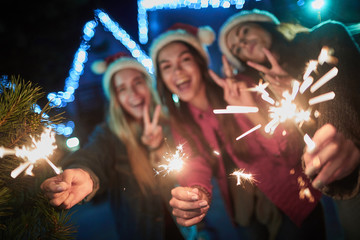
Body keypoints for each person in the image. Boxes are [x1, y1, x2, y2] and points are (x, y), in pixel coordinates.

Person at [149, 23, 325, 239]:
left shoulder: (242, 86)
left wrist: (250, 111)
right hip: (245, 214)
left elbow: (288, 150)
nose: (177, 71)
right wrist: (197, 191)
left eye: (185, 60)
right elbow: (195, 162)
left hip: (292, 198)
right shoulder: (181, 121)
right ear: (162, 79)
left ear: (200, 62)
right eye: (166, 66)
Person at [218, 8, 360, 239]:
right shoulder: (266, 93)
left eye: (244, 31)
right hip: (340, 191)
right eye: (236, 48)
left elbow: (339, 82)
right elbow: (289, 150)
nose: (242, 42)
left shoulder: (324, 35)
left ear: (265, 24)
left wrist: (340, 133)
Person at [40, 53, 194, 240]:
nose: (133, 94)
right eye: (122, 89)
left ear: (148, 84)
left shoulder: (174, 122)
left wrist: (159, 148)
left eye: (137, 82)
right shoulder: (108, 135)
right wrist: (83, 173)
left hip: (191, 231)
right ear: (115, 98)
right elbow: (93, 156)